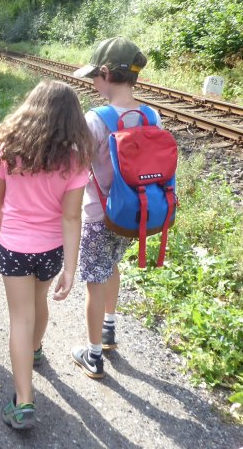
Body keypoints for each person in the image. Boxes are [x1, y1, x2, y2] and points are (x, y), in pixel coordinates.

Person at [0, 80, 95, 429]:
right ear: (71, 119)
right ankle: (34, 349)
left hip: (15, 245)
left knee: (20, 316)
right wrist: (71, 270)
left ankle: (24, 403)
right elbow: (72, 216)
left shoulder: (8, 148)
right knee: (39, 300)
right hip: (52, 249)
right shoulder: (76, 161)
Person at [70, 36, 153, 378]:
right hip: (133, 215)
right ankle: (109, 328)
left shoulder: (96, 118)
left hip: (98, 214)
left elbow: (77, 166)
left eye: (95, 76)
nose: (93, 82)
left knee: (93, 279)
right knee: (112, 266)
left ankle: (92, 355)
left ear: (105, 73)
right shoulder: (151, 114)